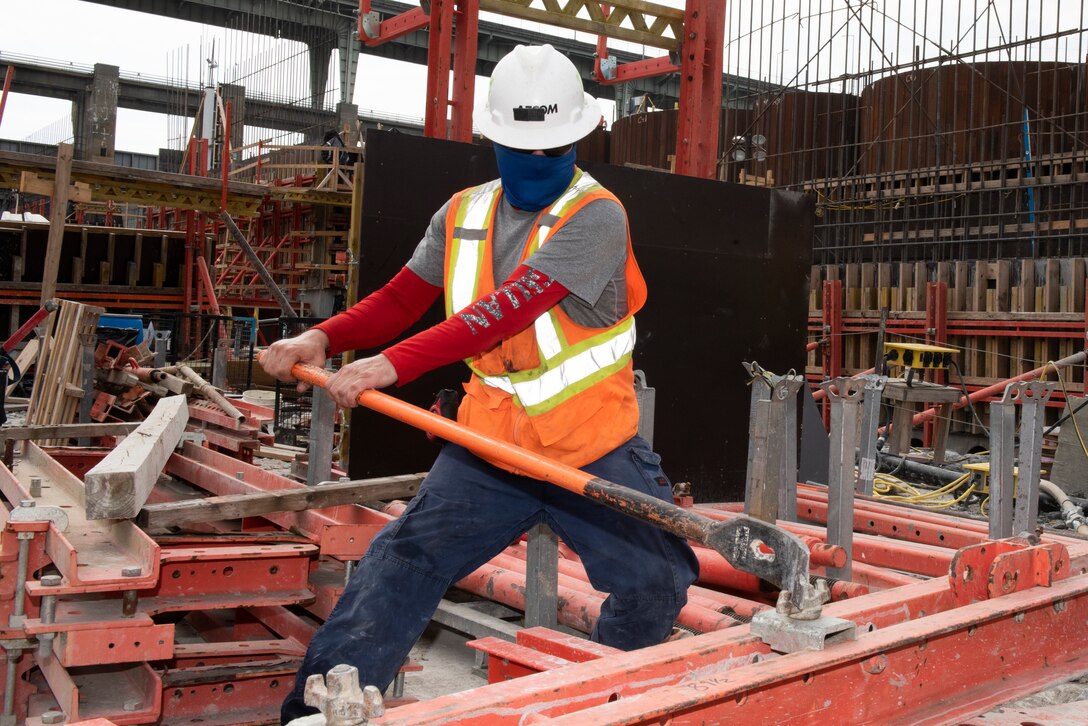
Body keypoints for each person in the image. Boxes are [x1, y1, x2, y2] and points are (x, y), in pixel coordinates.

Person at [263, 44, 698, 724]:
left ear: (577, 139)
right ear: (493, 138)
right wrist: (324, 336)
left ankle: (610, 702)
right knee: (400, 562)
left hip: (588, 446)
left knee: (658, 581)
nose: (536, 163)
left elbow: (503, 311)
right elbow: (403, 297)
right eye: (523, 148)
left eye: (552, 150)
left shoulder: (598, 215)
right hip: (489, 447)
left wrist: (392, 364)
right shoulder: (463, 213)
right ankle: (315, 710)